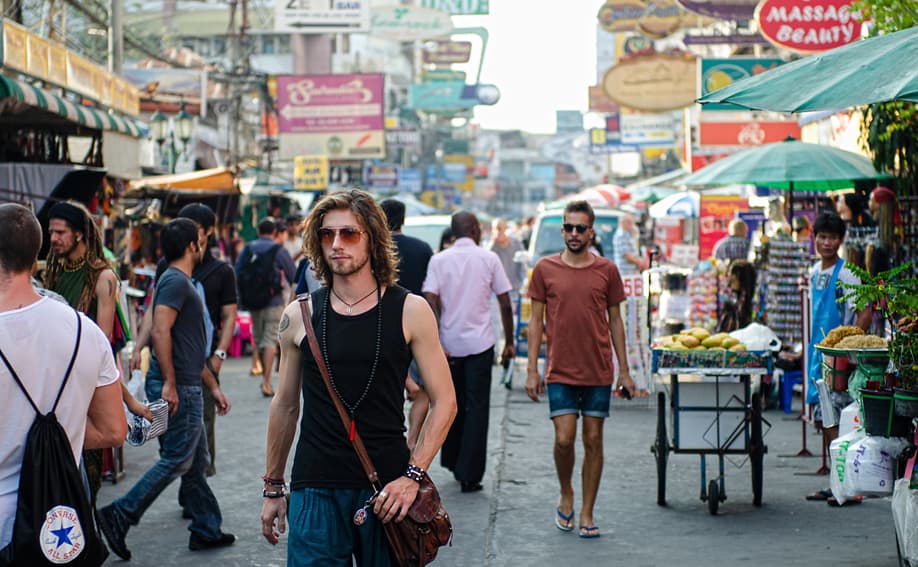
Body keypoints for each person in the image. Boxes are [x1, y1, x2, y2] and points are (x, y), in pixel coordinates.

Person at [260, 189, 456, 565]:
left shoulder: (410, 310)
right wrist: (272, 487)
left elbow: (445, 401)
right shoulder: (299, 314)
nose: (336, 244)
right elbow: (285, 405)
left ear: (374, 239)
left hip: (387, 489)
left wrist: (413, 476)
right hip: (314, 487)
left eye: (349, 234)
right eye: (326, 234)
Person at [98, 219, 234, 560]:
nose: (203, 242)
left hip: (189, 383)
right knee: (177, 459)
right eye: (201, 237)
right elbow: (160, 331)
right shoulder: (174, 280)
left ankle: (206, 527)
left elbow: (189, 345)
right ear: (193, 245)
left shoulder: (179, 280)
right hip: (180, 388)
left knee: (196, 459)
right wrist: (171, 383)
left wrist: (212, 387)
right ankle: (120, 514)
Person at [0, 203, 127, 550]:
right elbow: (115, 430)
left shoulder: (99, 280)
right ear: (34, 253)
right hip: (60, 523)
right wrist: (60, 435)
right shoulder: (85, 331)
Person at [524, 200, 635, 539]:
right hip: (559, 369)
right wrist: (532, 369)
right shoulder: (544, 269)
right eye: (568, 228)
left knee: (594, 439)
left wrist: (625, 371)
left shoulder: (607, 270)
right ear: (562, 230)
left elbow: (616, 321)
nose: (574, 234)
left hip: (598, 369)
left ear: (591, 232)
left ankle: (587, 510)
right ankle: (566, 492)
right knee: (564, 439)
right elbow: (536, 321)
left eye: (580, 228)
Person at [45, 200, 149, 506]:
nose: (53, 238)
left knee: (85, 476)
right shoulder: (51, 271)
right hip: (50, 385)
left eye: (60, 232)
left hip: (84, 389)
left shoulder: (103, 278)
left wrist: (128, 402)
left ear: (78, 234)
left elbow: (101, 349)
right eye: (51, 232)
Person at [131, 203, 238, 480]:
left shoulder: (221, 271)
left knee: (197, 440)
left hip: (201, 364)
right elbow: (157, 318)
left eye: (195, 228)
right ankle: (197, 507)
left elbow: (229, 317)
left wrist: (219, 356)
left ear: (208, 233)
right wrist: (139, 345)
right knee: (178, 451)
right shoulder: (171, 270)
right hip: (173, 366)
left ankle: (201, 508)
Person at [423, 211, 515, 493]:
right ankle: (469, 474)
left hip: (449, 345)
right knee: (476, 408)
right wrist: (509, 342)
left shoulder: (439, 260)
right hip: (480, 345)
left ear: (453, 232)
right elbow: (504, 301)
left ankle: (452, 460)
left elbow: (429, 298)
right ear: (475, 230)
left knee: (452, 404)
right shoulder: (489, 259)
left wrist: (436, 336)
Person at [804, 213, 871, 505]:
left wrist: (851, 347)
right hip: (818, 354)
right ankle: (835, 482)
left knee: (841, 423)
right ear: (814, 237)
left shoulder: (847, 275)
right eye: (822, 237)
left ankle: (848, 486)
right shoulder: (813, 271)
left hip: (840, 357)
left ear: (840, 241)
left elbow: (865, 311)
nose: (826, 242)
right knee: (824, 419)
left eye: (832, 237)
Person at [379, 198, 435, 451]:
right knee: (422, 389)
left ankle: (393, 436)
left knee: (385, 389)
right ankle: (411, 438)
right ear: (404, 219)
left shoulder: (374, 248)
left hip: (380, 323)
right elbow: (432, 291)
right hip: (418, 323)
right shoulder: (422, 249)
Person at [235, 217, 297, 397]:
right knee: (270, 340)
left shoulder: (247, 248)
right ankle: (267, 382)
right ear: (275, 232)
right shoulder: (279, 250)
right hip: (274, 301)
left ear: (258, 231)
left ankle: (264, 376)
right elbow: (293, 274)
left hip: (252, 302)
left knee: (260, 339)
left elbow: (237, 272)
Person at [716, 260, 757, 333]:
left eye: (730, 272)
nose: (728, 275)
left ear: (736, 275)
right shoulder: (739, 296)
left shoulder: (742, 301)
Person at [488, 217, 525, 296]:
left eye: (501, 228)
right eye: (496, 229)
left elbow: (522, 266)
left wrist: (522, 284)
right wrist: (492, 244)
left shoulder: (516, 244)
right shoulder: (492, 247)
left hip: (514, 289)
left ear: (505, 229)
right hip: (497, 292)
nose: (499, 231)